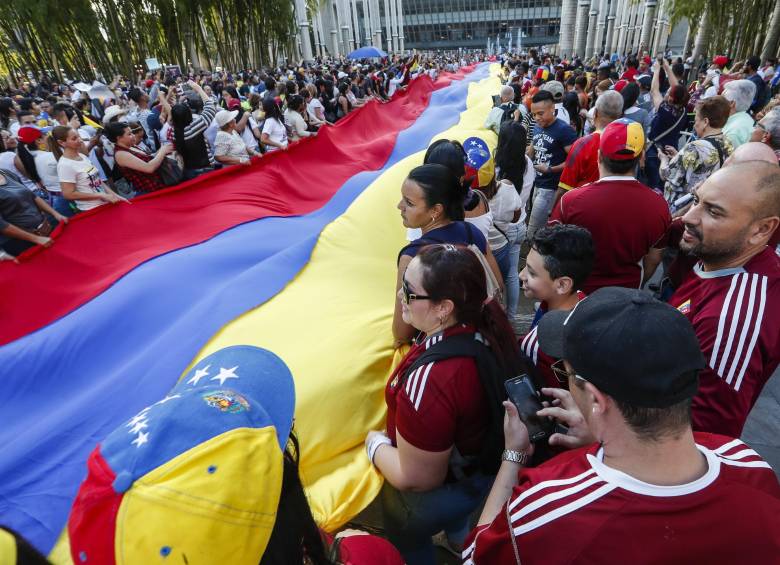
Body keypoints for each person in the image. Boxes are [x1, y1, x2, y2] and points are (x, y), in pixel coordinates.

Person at [463, 287, 780, 564]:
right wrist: (597, 437)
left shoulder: (546, 508)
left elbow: (475, 556)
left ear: (597, 399)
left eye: (566, 373)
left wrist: (514, 455)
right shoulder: (749, 464)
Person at [367, 244, 521, 565]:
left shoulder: (432, 378)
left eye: (409, 292)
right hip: (478, 475)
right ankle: (457, 538)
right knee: (458, 517)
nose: (399, 297)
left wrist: (375, 446)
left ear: (443, 308)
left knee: (408, 541)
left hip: (437, 495)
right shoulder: (486, 328)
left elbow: (417, 477)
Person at [669, 162, 780, 438]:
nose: (689, 217)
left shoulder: (731, 318)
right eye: (696, 200)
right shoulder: (717, 257)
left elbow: (705, 434)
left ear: (761, 229)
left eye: (714, 212)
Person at [549, 119, 671, 294]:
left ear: (599, 156)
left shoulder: (570, 200)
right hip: (626, 296)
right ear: (642, 157)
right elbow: (653, 259)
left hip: (576, 296)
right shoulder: (659, 206)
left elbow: (551, 252)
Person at [392, 164, 502, 348]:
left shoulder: (412, 257)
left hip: (440, 349)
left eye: (409, 203)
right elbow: (498, 285)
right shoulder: (472, 232)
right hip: (480, 338)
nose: (400, 206)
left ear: (436, 210)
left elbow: (402, 332)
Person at [519, 224, 594, 388]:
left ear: (562, 285)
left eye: (532, 273)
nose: (521, 275)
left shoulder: (536, 346)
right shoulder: (582, 298)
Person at [659, 96, 734, 208]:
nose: (694, 125)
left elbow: (666, 174)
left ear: (705, 122)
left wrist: (663, 160)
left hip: (681, 206)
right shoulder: (727, 143)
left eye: (696, 120)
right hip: (703, 204)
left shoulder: (695, 147)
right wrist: (678, 155)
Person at [493, 121, 535, 322]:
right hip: (521, 225)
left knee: (498, 275)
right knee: (512, 273)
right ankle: (510, 318)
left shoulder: (497, 167)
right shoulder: (528, 164)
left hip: (502, 229)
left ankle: (500, 318)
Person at [555, 90, 623, 206]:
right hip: (612, 205)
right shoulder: (626, 143)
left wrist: (553, 212)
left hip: (582, 206)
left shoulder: (582, 144)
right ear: (620, 115)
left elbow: (565, 187)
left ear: (595, 113)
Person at [526, 91, 577, 240]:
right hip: (536, 182)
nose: (537, 118)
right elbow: (533, 147)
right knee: (533, 223)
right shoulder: (537, 126)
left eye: (540, 113)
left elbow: (574, 160)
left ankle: (533, 256)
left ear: (552, 108)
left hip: (550, 187)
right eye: (534, 114)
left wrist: (550, 169)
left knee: (534, 231)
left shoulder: (564, 130)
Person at [0, 167, 67, 257]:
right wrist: (36, 239)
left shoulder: (5, 172)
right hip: (22, 242)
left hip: (44, 231)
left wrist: (56, 214)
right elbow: (2, 225)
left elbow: (32, 196)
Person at [55, 126, 126, 211]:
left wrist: (115, 195)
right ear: (61, 143)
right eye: (74, 139)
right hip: (91, 209)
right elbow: (68, 194)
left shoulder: (82, 156)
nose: (80, 140)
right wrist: (100, 195)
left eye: (79, 136)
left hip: (105, 204)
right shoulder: (64, 165)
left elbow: (97, 180)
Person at [644, 59, 689, 191]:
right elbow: (678, 88)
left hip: (655, 152)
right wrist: (667, 68)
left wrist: (658, 69)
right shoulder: (684, 110)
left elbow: (654, 91)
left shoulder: (664, 110)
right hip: (671, 152)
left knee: (653, 183)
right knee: (663, 183)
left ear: (670, 98)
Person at [106, 121, 174, 193]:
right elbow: (149, 168)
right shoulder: (120, 154)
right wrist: (162, 151)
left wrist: (162, 149)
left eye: (132, 132)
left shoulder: (130, 145)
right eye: (129, 134)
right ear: (119, 138)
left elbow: (149, 158)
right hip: (149, 192)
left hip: (158, 186)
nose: (133, 135)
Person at [171, 81, 217, 180]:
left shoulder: (173, 132)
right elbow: (210, 108)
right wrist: (199, 88)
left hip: (188, 171)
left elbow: (177, 114)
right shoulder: (194, 127)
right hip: (205, 168)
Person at [722, 80, 757, 148]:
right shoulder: (747, 118)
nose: (717, 102)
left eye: (722, 99)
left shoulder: (732, 132)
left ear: (732, 103)